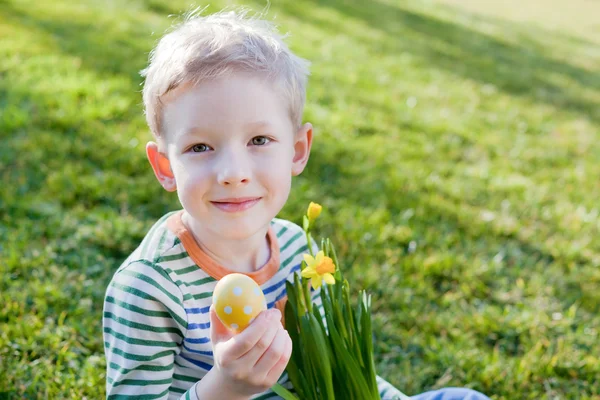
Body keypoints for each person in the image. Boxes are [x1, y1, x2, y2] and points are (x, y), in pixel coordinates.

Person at [102, 7, 490, 400]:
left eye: (258, 141)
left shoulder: (297, 251)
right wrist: (224, 388)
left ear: (297, 150)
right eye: (200, 147)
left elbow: (333, 369)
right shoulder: (149, 286)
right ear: (166, 166)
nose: (233, 172)